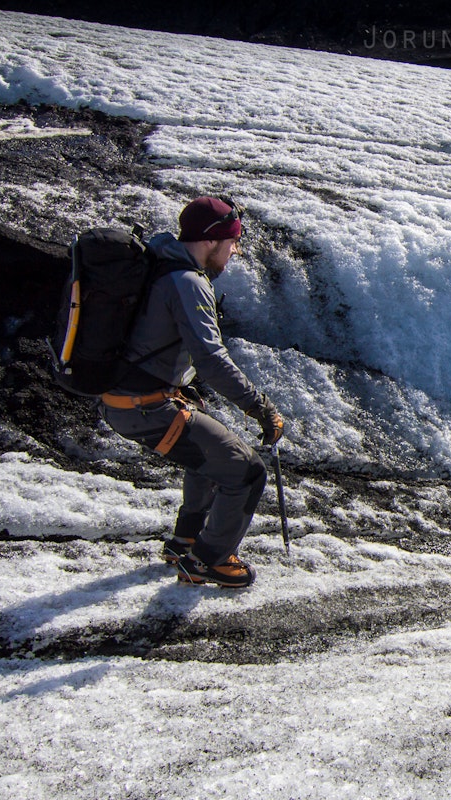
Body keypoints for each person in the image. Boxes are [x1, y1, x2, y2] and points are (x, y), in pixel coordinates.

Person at [99, 197, 285, 588]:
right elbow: (211, 359)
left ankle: (185, 540)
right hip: (146, 408)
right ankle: (208, 560)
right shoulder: (187, 281)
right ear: (212, 239)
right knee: (247, 471)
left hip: (127, 401)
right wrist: (262, 408)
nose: (234, 251)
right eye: (232, 242)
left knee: (211, 451)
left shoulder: (159, 264)